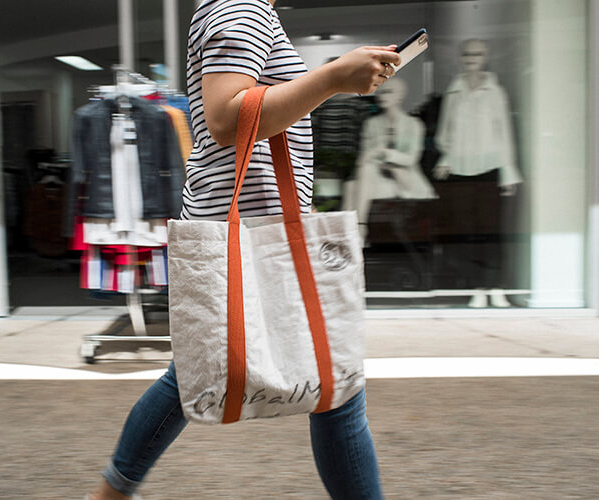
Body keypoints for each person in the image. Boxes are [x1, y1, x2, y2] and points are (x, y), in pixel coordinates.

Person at [87, 1, 400, 498]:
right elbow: (228, 119)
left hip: (256, 224)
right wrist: (333, 78)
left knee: (220, 373)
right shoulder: (240, 6)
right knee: (332, 380)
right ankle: (111, 492)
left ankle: (112, 492)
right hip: (250, 228)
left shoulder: (247, 8)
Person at [433, 38, 523, 307]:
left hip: (490, 168)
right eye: (467, 53)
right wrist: (446, 157)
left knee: (492, 231)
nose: (472, 57)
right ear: (462, 57)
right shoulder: (454, 90)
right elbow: (446, 130)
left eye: (478, 53)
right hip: (460, 170)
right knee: (465, 231)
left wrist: (508, 171)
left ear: (485, 56)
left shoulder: (495, 91)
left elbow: (504, 132)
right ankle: (477, 287)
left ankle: (496, 286)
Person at [354, 77, 437, 245]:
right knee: (357, 179)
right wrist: (376, 155)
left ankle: (357, 231)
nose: (382, 96)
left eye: (388, 92)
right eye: (381, 92)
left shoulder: (414, 125)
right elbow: (363, 159)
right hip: (380, 180)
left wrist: (383, 152)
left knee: (354, 187)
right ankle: (359, 229)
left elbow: (411, 159)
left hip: (406, 181)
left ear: (400, 96)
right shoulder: (371, 124)